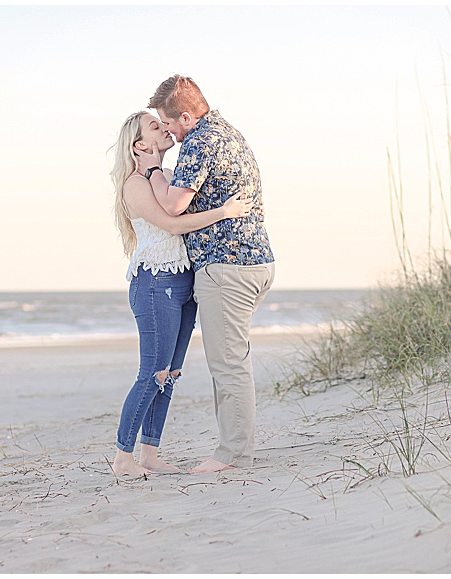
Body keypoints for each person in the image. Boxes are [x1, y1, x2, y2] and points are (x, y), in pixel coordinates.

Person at [136, 75, 275, 473]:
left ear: (185, 116)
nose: (171, 134)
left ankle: (232, 455)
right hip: (254, 260)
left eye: (170, 124)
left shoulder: (199, 141)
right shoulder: (230, 133)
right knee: (234, 359)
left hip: (227, 266)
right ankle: (237, 448)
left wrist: (151, 171)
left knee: (228, 364)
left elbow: (175, 204)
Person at [109, 110, 254, 477]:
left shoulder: (167, 178)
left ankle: (150, 454)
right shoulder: (134, 184)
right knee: (151, 373)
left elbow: (182, 206)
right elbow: (173, 225)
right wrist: (225, 212)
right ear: (141, 145)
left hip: (183, 283)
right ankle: (122, 458)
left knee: (170, 374)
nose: (165, 128)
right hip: (155, 282)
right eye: (155, 127)